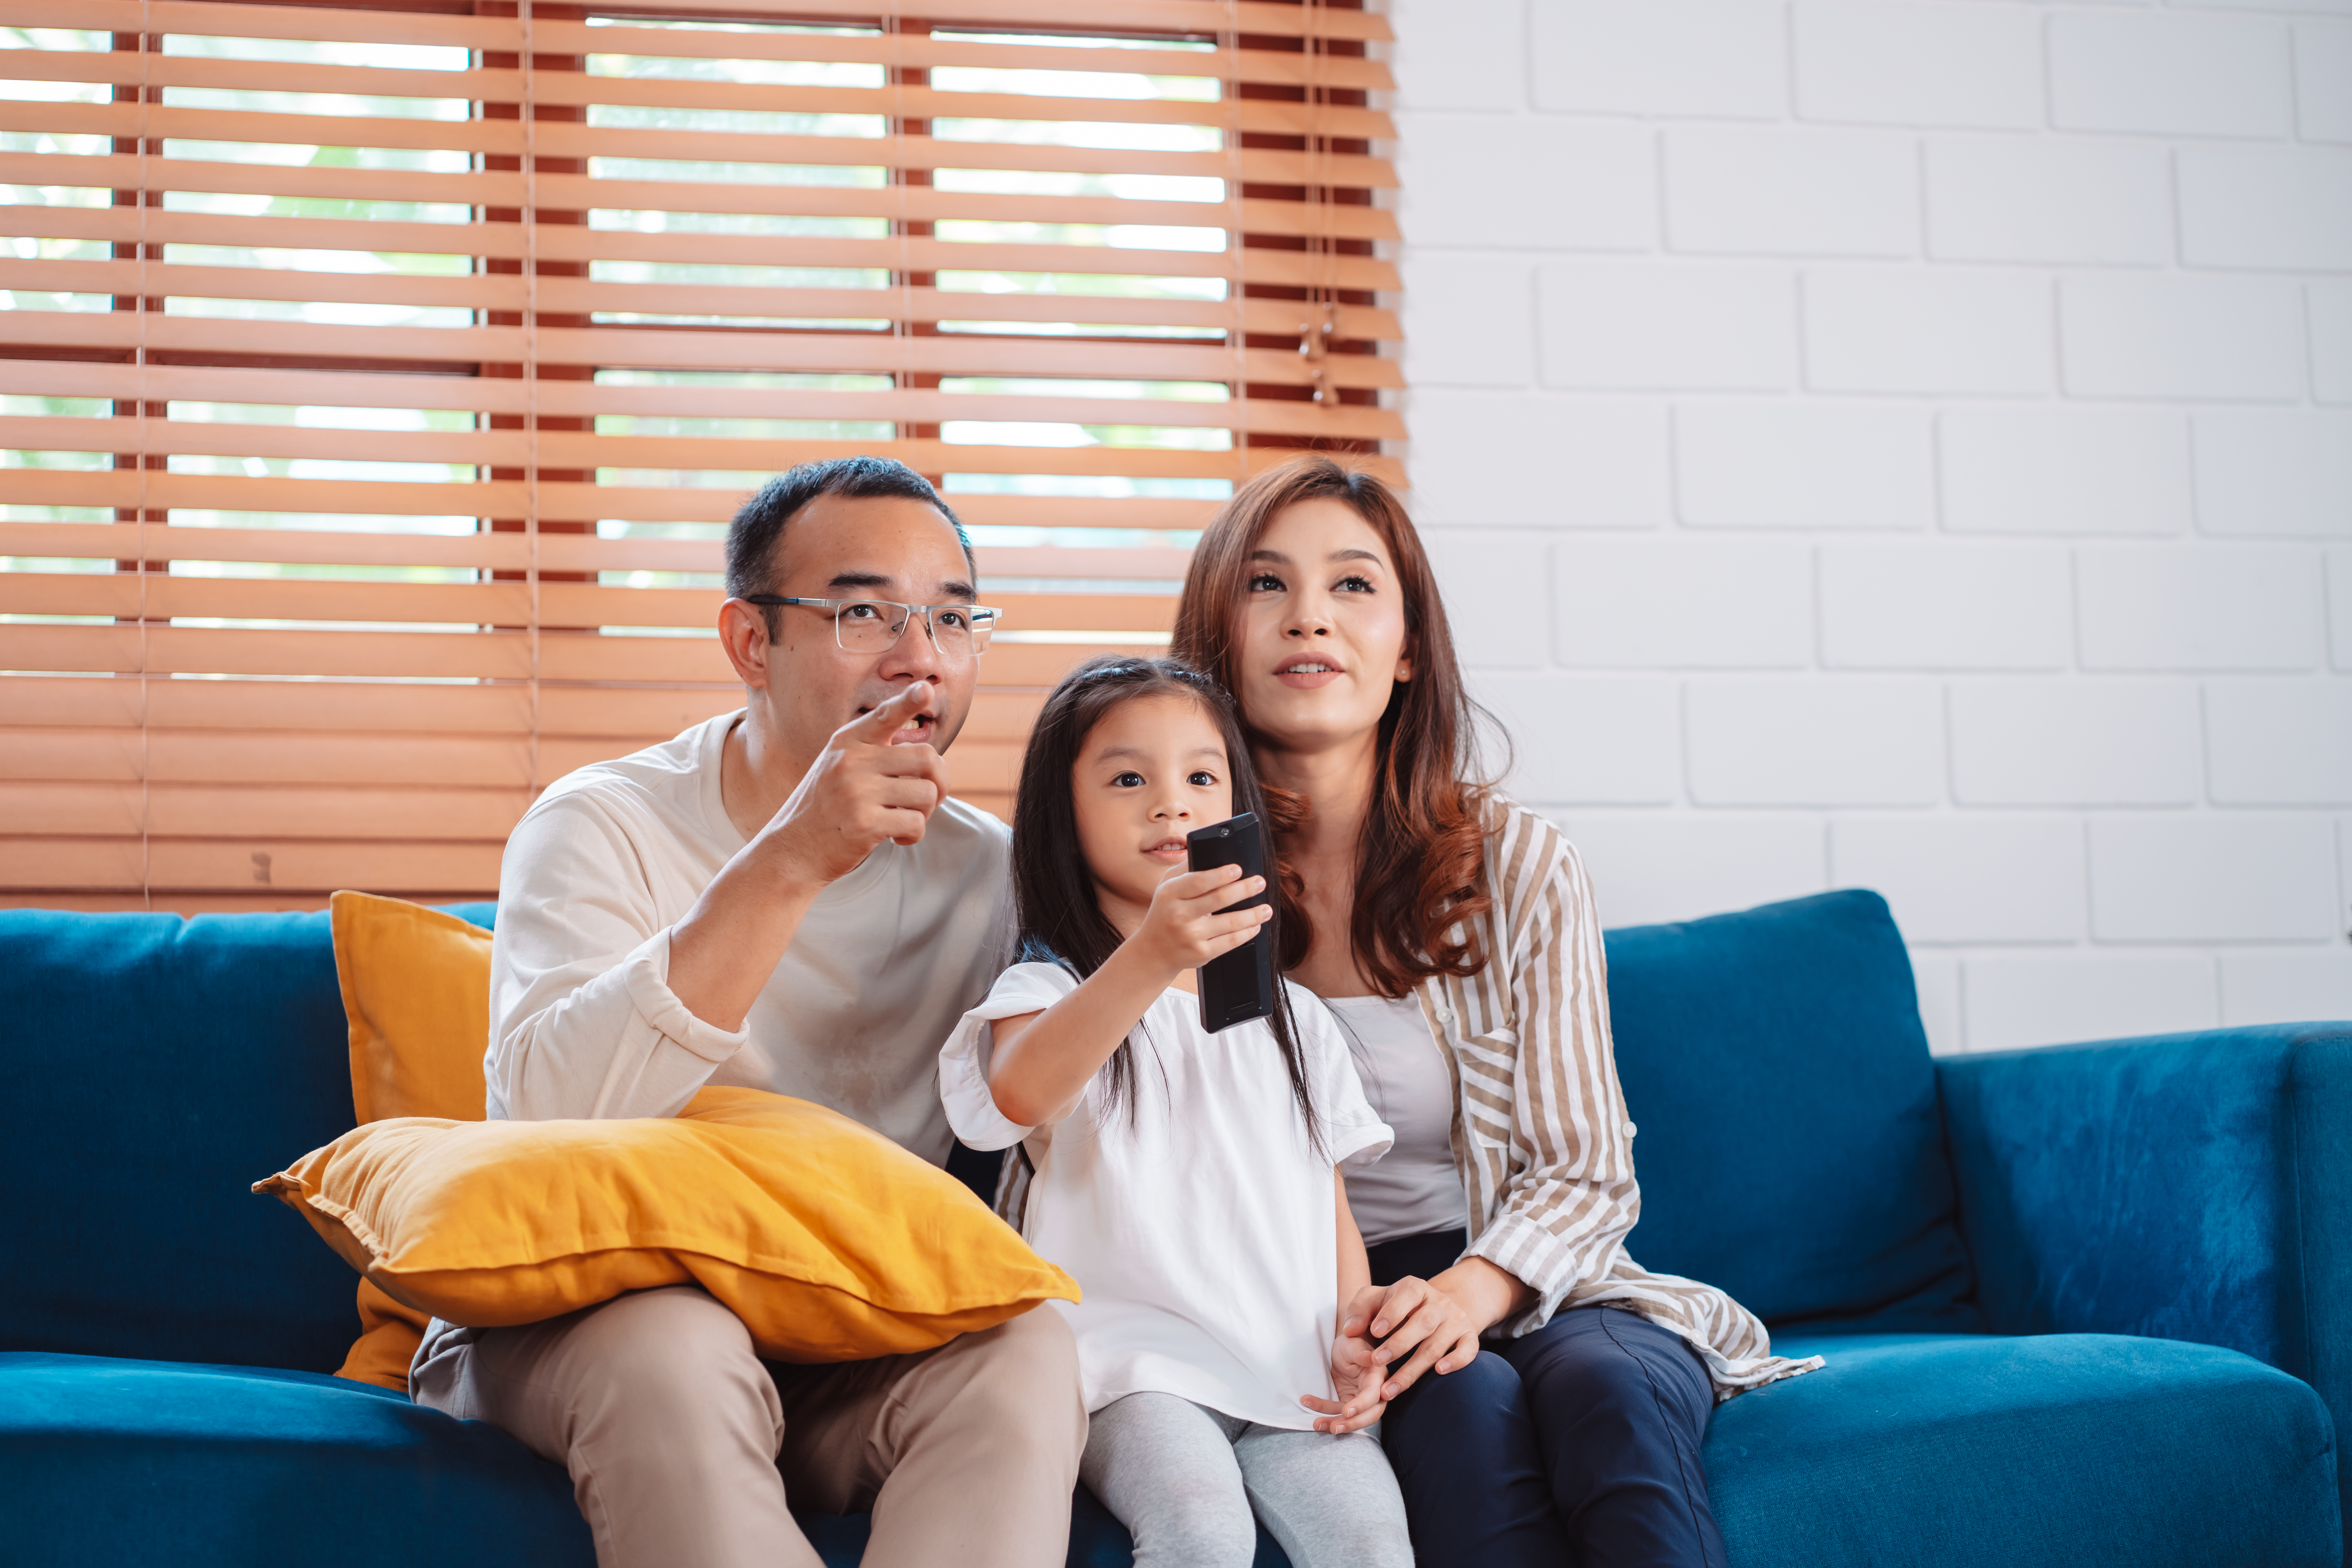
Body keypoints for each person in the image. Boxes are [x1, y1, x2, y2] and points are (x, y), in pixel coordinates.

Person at [408, 457, 1088, 1568]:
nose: (920, 657)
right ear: (749, 643)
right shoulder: (600, 825)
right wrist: (789, 863)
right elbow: (544, 1119)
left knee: (1024, 1352)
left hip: (843, 1336)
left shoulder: (994, 877)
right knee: (675, 1345)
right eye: (865, 613)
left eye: (953, 619)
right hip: (587, 1317)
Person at [1170, 456, 1821, 1568]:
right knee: (1462, 1416)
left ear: (1409, 649)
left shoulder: (1520, 862)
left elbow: (1587, 1170)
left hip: (1531, 1270)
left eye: (1354, 584)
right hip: (1328, 1309)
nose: (1310, 615)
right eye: (1266, 584)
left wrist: (1470, 1292)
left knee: (1609, 1394)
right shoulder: (1162, 880)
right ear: (1215, 639)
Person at [936, 655, 1414, 1568]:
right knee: (1200, 1529)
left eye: (1201, 778)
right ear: (1062, 816)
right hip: (1133, 1368)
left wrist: (1355, 1328)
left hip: (1291, 1371)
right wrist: (1151, 956)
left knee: (1372, 1545)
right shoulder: (1049, 992)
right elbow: (1017, 1097)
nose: (1171, 805)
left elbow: (1329, 1206)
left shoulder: (1298, 1018)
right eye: (1128, 780)